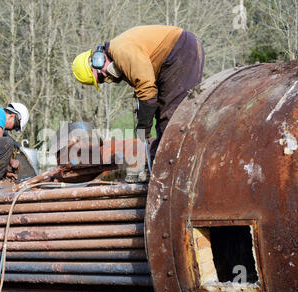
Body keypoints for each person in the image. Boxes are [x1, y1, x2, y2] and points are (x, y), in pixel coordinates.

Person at [72, 25, 205, 182]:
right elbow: (147, 93)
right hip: (175, 55)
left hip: (179, 51)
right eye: (101, 81)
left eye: (100, 76)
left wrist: (143, 128)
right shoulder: (120, 57)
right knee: (165, 117)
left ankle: (166, 174)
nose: (106, 78)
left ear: (97, 60)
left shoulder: (121, 51)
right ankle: (157, 168)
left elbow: (147, 90)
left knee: (172, 120)